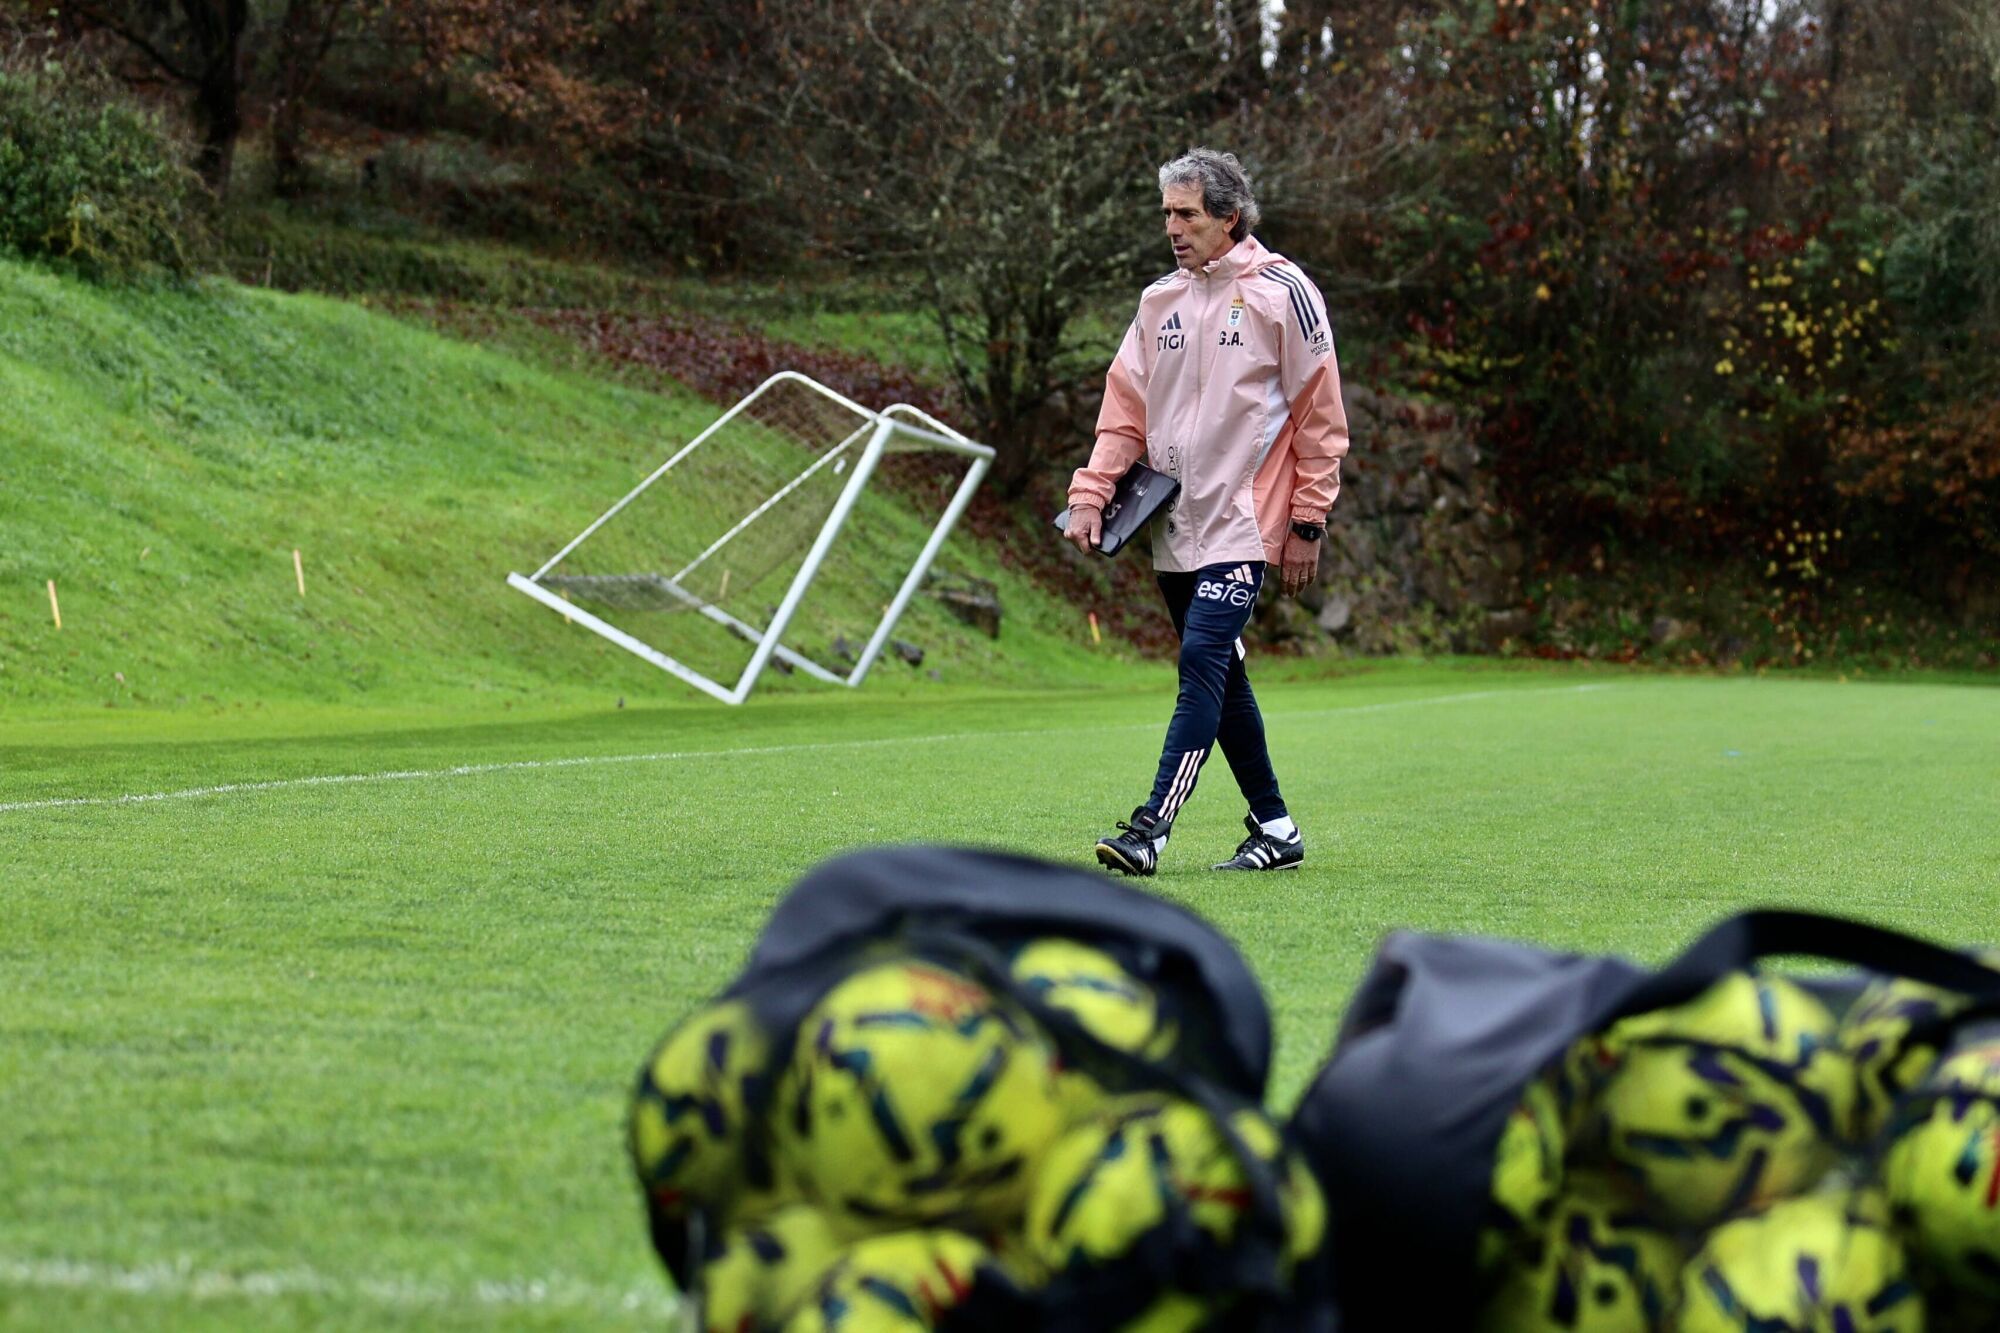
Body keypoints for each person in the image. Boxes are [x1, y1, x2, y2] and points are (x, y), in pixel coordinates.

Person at [1064, 147, 1348, 877]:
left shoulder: (1285, 292)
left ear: (1229, 216)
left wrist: (1307, 521)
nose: (1172, 227)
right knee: (1223, 679)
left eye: (1186, 213)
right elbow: (1123, 415)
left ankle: (1150, 829)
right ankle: (1277, 828)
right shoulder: (1158, 301)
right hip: (1172, 529)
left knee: (1200, 664)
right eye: (1166, 213)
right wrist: (1090, 494)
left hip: (1245, 525)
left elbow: (1321, 421)